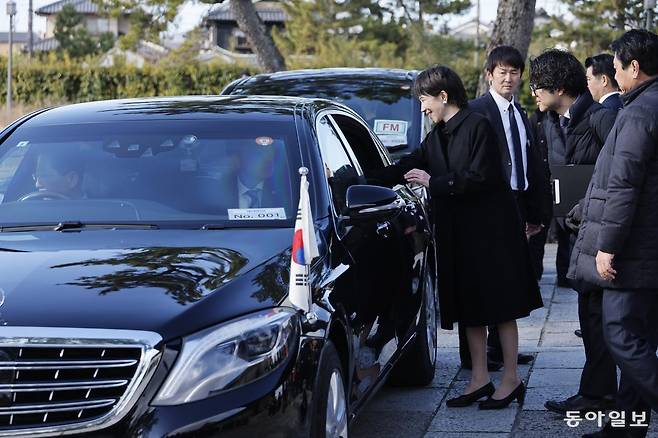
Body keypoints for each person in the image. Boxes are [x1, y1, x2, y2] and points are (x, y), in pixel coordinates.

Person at [370, 65, 542, 409]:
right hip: (460, 235)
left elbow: (481, 176)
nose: (422, 108)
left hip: (492, 235)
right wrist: (354, 179)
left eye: (424, 100)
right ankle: (479, 378)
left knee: (501, 307)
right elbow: (406, 166)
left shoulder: (479, 125)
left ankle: (510, 379)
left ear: (443, 96)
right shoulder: (438, 135)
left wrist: (434, 182)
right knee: (470, 308)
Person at [569, 29, 658, 438]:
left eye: (618, 68)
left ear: (634, 68)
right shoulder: (645, 106)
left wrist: (607, 246)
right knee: (639, 338)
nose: (615, 76)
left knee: (621, 335)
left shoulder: (639, 113)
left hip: (635, 247)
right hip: (647, 244)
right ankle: (625, 428)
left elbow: (624, 186)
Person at [530, 49, 618, 416]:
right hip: (581, 230)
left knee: (603, 319)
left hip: (600, 232)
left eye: (537, 86)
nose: (534, 93)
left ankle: (603, 395)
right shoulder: (562, 119)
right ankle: (597, 392)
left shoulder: (601, 118)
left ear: (558, 87)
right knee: (591, 316)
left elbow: (620, 174)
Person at [460, 45, 549, 370]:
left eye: (514, 72)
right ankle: (474, 356)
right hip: (487, 206)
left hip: (517, 204)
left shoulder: (520, 113)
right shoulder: (476, 110)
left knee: (508, 279)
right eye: (502, 72)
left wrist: (534, 212)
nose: (508, 78)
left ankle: (500, 349)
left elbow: (527, 162)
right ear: (489, 75)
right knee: (482, 279)